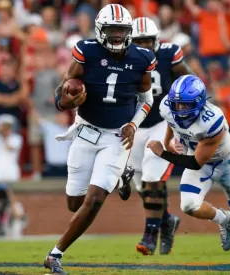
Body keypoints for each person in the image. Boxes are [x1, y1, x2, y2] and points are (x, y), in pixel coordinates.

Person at [44, 4, 155, 274]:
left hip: (118, 136)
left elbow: (146, 99)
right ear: (100, 30)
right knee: (75, 203)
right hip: (85, 130)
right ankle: (122, 176)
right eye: (112, 29)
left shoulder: (142, 59)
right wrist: (65, 101)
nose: (117, 35)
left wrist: (133, 123)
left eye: (121, 30)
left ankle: (55, 254)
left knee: (95, 199)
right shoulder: (86, 52)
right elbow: (62, 91)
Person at [147, 75, 230, 265]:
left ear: (199, 102)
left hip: (225, 163)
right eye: (177, 104)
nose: (180, 109)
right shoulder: (167, 106)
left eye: (185, 105)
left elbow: (196, 163)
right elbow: (171, 121)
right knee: (188, 205)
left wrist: (162, 153)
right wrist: (167, 143)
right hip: (196, 158)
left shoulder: (211, 120)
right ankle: (222, 218)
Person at [129, 17, 192, 256]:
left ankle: (149, 235)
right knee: (141, 185)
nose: (144, 45)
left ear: (156, 40)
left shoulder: (168, 55)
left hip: (161, 123)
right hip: (134, 125)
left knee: (153, 176)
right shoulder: (122, 58)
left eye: (147, 40)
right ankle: (166, 221)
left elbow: (189, 79)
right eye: (139, 41)